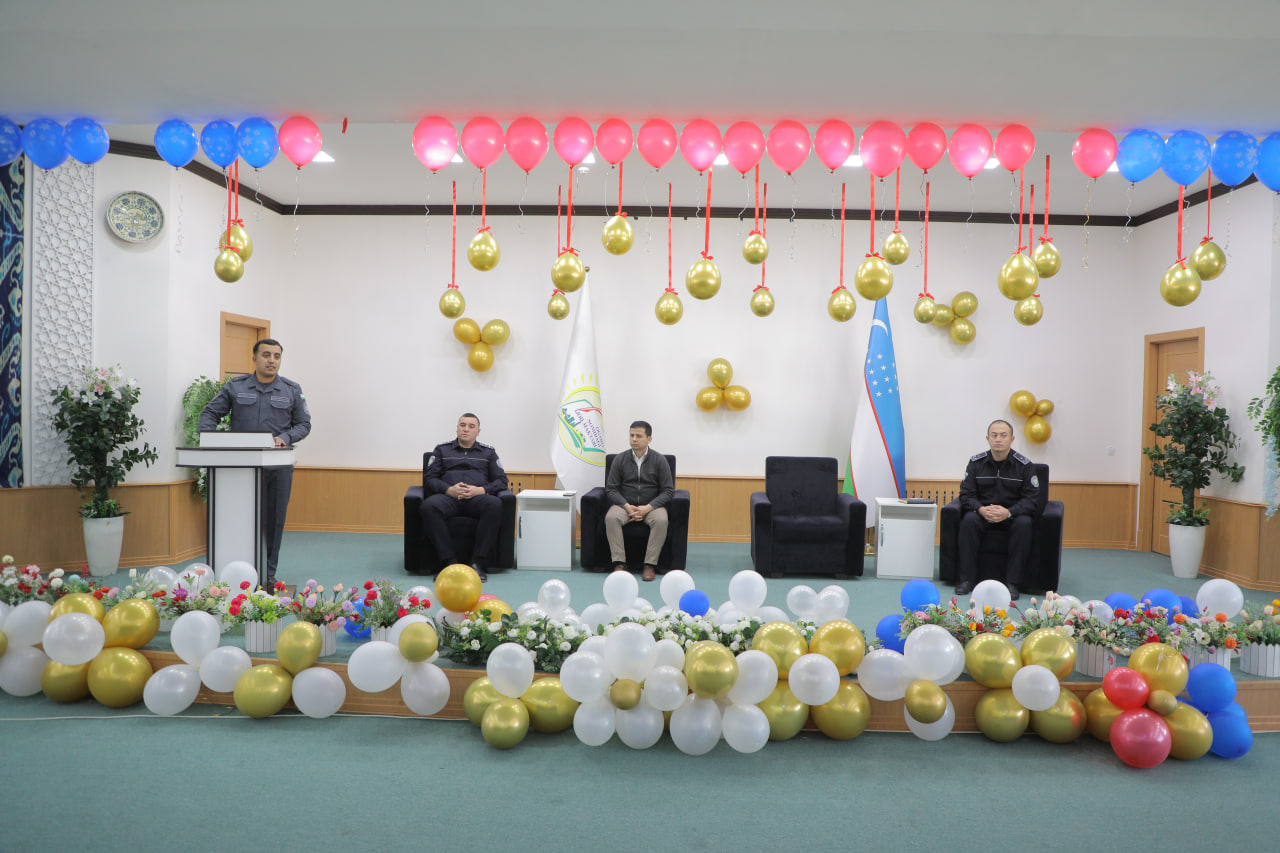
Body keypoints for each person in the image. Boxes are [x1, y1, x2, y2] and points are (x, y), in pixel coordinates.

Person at [199, 338, 311, 589]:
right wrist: (210, 439)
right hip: (241, 470)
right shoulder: (236, 387)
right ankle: (236, 572)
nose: (272, 360)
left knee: (274, 522)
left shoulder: (292, 390)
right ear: (255, 358)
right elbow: (210, 413)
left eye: (277, 356)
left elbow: (304, 424)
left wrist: (286, 437)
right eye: (266, 355)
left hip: (277, 468)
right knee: (239, 520)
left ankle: (268, 574)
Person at [954, 419, 1040, 601]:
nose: (998, 439)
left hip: (1011, 516)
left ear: (1012, 439)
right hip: (983, 514)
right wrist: (980, 509)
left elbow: (1032, 499)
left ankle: (1012, 583)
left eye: (1003, 435)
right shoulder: (976, 463)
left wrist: (1009, 512)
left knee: (1024, 523)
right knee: (968, 520)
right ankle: (966, 579)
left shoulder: (1024, 466)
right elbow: (966, 494)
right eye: (994, 435)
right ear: (988, 439)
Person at [421, 413, 508, 582]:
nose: (466, 429)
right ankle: (448, 562)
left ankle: (477, 563)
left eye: (471, 426)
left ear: (478, 432)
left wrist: (481, 490)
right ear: (457, 428)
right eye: (462, 425)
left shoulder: (488, 453)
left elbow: (502, 480)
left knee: (495, 504)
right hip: (449, 498)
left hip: (476, 498)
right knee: (429, 506)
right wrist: (448, 490)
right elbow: (429, 479)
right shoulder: (442, 450)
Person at [604, 421, 674, 582]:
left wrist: (648, 508)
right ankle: (620, 563)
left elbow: (668, 491)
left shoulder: (659, 460)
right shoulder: (620, 459)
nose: (634, 439)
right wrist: (627, 507)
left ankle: (649, 565)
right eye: (631, 435)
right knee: (611, 517)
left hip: (652, 506)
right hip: (625, 505)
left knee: (661, 520)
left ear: (649, 439)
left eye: (639, 436)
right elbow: (611, 489)